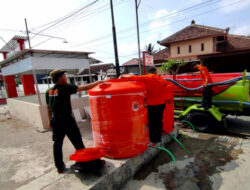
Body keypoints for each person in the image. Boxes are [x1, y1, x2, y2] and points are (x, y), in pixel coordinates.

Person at [46, 69, 104, 173]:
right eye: (64, 76)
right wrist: (99, 82)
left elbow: (48, 107)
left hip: (55, 120)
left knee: (57, 143)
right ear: (59, 78)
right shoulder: (65, 87)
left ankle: (59, 167)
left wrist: (50, 119)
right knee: (77, 142)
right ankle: (86, 164)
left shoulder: (49, 91)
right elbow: (85, 87)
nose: (65, 77)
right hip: (66, 120)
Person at [120, 67, 169, 144]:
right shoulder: (161, 79)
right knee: (159, 121)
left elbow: (133, 77)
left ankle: (153, 139)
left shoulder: (146, 78)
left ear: (148, 72)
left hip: (152, 105)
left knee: (152, 123)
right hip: (161, 104)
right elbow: (166, 85)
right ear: (155, 72)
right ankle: (158, 138)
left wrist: (122, 76)